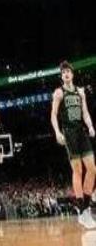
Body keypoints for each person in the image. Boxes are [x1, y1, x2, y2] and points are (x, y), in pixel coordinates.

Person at [51, 60, 96, 229]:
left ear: (72, 74)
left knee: (92, 169)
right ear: (61, 76)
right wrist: (57, 132)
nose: (66, 74)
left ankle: (85, 205)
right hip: (69, 133)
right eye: (63, 73)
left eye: (68, 71)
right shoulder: (59, 93)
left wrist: (90, 126)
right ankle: (83, 211)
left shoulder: (80, 92)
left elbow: (85, 112)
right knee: (78, 170)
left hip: (81, 132)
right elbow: (53, 114)